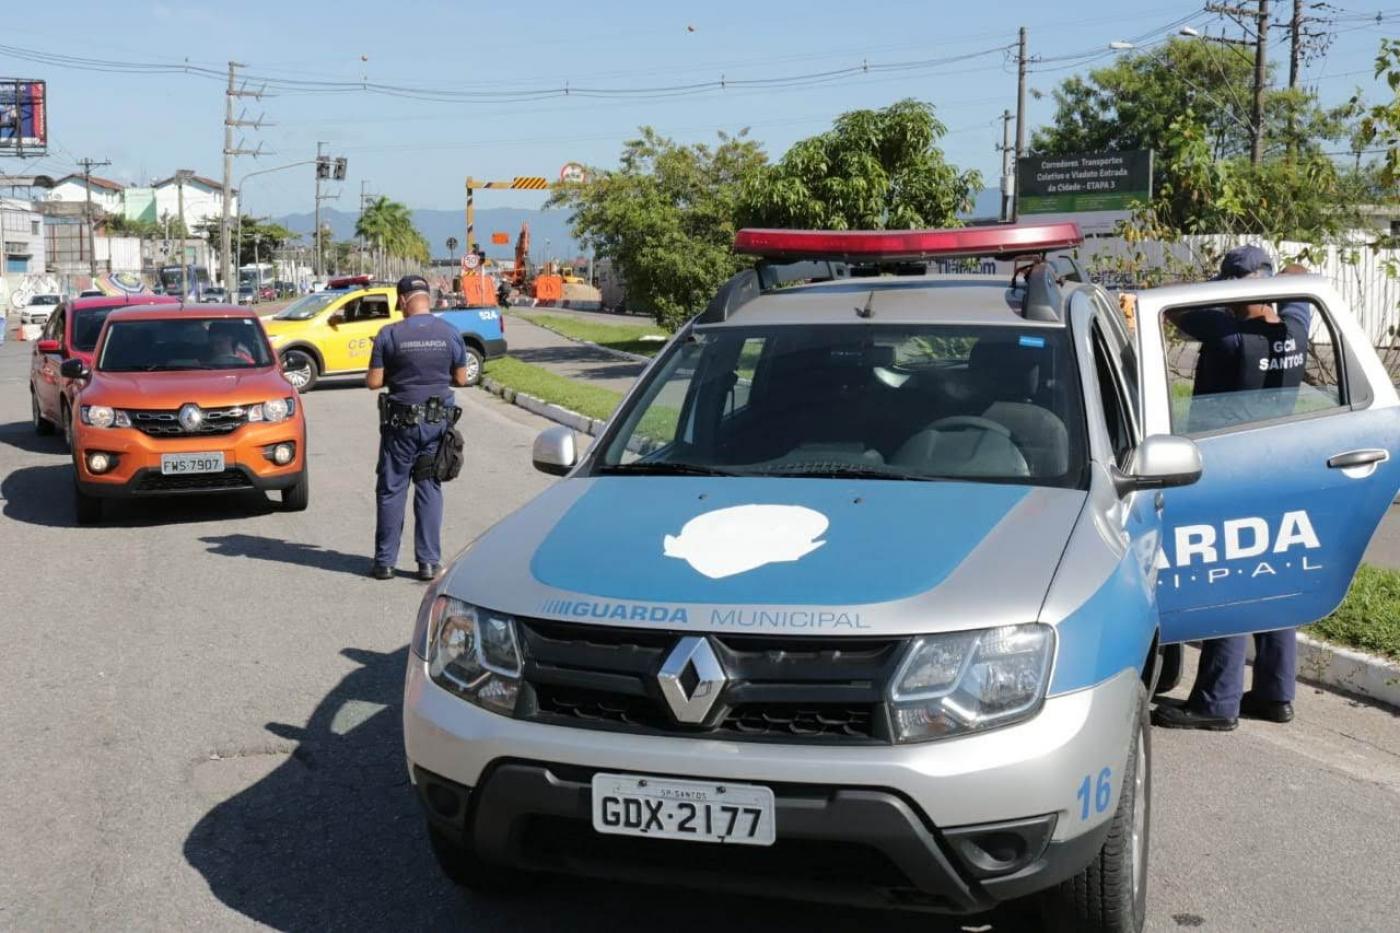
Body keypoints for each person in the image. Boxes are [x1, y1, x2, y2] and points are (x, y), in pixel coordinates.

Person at [1152, 246, 1312, 731]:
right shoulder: (1296, 328)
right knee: (1274, 578)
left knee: (1228, 578)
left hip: (1231, 467)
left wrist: (1221, 291)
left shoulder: (1227, 336)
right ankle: (1275, 694)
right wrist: (1279, 282)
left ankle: (1216, 703)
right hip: (1279, 465)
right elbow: (1304, 275)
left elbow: (1169, 305)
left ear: (1231, 287)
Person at [366, 275, 469, 581]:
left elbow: (373, 382)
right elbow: (462, 378)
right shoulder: (451, 333)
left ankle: (385, 563)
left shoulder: (389, 334)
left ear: (401, 301)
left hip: (400, 426)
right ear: (428, 298)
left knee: (392, 489)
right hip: (437, 425)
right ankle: (427, 563)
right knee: (429, 487)